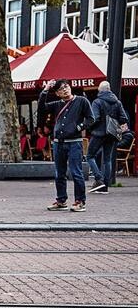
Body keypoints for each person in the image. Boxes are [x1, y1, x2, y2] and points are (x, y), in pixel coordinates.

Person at [38, 78, 94, 212]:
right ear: (57, 93)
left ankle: (80, 201)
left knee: (76, 172)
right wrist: (45, 90)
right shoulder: (57, 104)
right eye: (61, 89)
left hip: (74, 142)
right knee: (59, 173)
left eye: (66, 87)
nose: (65, 90)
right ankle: (61, 200)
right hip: (58, 143)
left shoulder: (81, 101)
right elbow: (41, 108)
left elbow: (91, 118)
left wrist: (79, 128)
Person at [86, 81, 129, 195]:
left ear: (100, 90)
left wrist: (90, 128)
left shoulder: (97, 102)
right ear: (109, 89)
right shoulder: (117, 102)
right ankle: (105, 187)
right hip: (112, 134)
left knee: (90, 156)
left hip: (99, 133)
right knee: (107, 159)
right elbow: (124, 118)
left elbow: (95, 118)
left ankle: (98, 179)